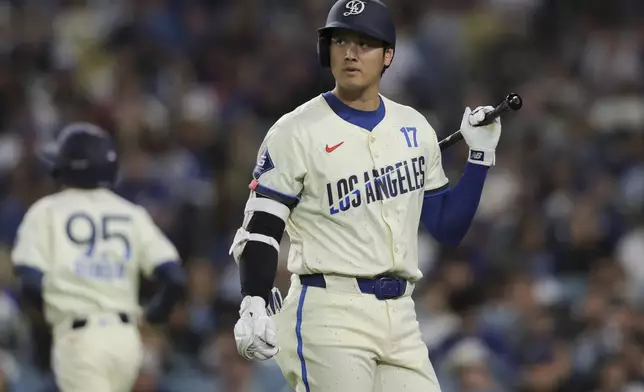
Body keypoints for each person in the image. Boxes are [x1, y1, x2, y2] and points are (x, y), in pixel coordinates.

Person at [229, 0, 502, 390]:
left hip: (401, 313)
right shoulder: (295, 131)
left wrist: (479, 157)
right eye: (340, 41)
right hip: (328, 310)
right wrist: (253, 297)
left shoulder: (415, 127)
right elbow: (262, 224)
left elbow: (446, 226)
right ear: (328, 51)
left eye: (365, 43)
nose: (351, 53)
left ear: (389, 55)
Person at [11, 123, 187, 392]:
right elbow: (174, 278)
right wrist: (152, 317)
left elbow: (30, 283)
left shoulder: (46, 211)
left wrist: (56, 313)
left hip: (79, 338)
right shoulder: (131, 213)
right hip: (126, 341)